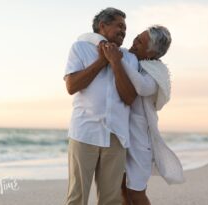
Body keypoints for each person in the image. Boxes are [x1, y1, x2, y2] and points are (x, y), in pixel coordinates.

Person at [78, 25, 185, 205]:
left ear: (151, 52)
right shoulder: (130, 59)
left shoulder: (157, 71)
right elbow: (85, 36)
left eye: (140, 42)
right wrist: (103, 43)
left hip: (140, 144)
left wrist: (117, 61)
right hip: (120, 140)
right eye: (136, 38)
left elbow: (142, 88)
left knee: (136, 193)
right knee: (120, 191)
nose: (134, 43)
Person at [64, 8, 139, 205]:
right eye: (119, 26)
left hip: (116, 137)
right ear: (102, 26)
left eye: (125, 28)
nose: (123, 31)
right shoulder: (80, 48)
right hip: (84, 133)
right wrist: (101, 61)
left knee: (111, 200)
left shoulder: (129, 59)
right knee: (76, 197)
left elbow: (130, 98)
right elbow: (72, 86)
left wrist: (115, 62)